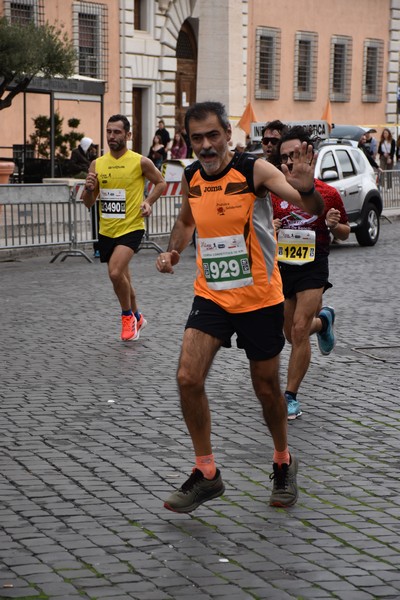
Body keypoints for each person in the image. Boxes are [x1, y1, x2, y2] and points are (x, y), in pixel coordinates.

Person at [156, 101, 325, 513]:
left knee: (267, 389)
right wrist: (173, 250)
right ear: (188, 141)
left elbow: (309, 208)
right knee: (187, 376)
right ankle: (206, 473)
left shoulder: (255, 171)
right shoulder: (193, 175)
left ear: (228, 133)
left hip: (259, 299)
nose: (206, 145)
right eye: (197, 138)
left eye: (213, 135)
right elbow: (185, 221)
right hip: (212, 293)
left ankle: (283, 461)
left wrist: (306, 187)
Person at [272, 126, 350, 420]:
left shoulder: (328, 193)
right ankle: (325, 320)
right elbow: (260, 230)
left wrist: (333, 225)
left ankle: (290, 396)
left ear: (308, 155)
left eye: (295, 155)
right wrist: (272, 229)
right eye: (284, 157)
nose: (290, 162)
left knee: (299, 329)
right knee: (291, 334)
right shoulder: (273, 193)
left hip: (314, 267)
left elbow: (344, 232)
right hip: (284, 267)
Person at [82, 114, 166, 341]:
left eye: (117, 132)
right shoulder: (97, 163)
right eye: (109, 131)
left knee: (115, 272)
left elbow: (160, 182)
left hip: (132, 227)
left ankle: (127, 316)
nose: (112, 136)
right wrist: (89, 189)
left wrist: (148, 202)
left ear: (128, 135)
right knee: (123, 278)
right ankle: (138, 316)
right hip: (107, 229)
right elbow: (89, 202)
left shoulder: (140, 161)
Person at [69, 137, 100, 257]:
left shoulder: (89, 154)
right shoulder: (76, 152)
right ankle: (97, 247)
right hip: (81, 174)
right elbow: (73, 165)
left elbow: (94, 163)